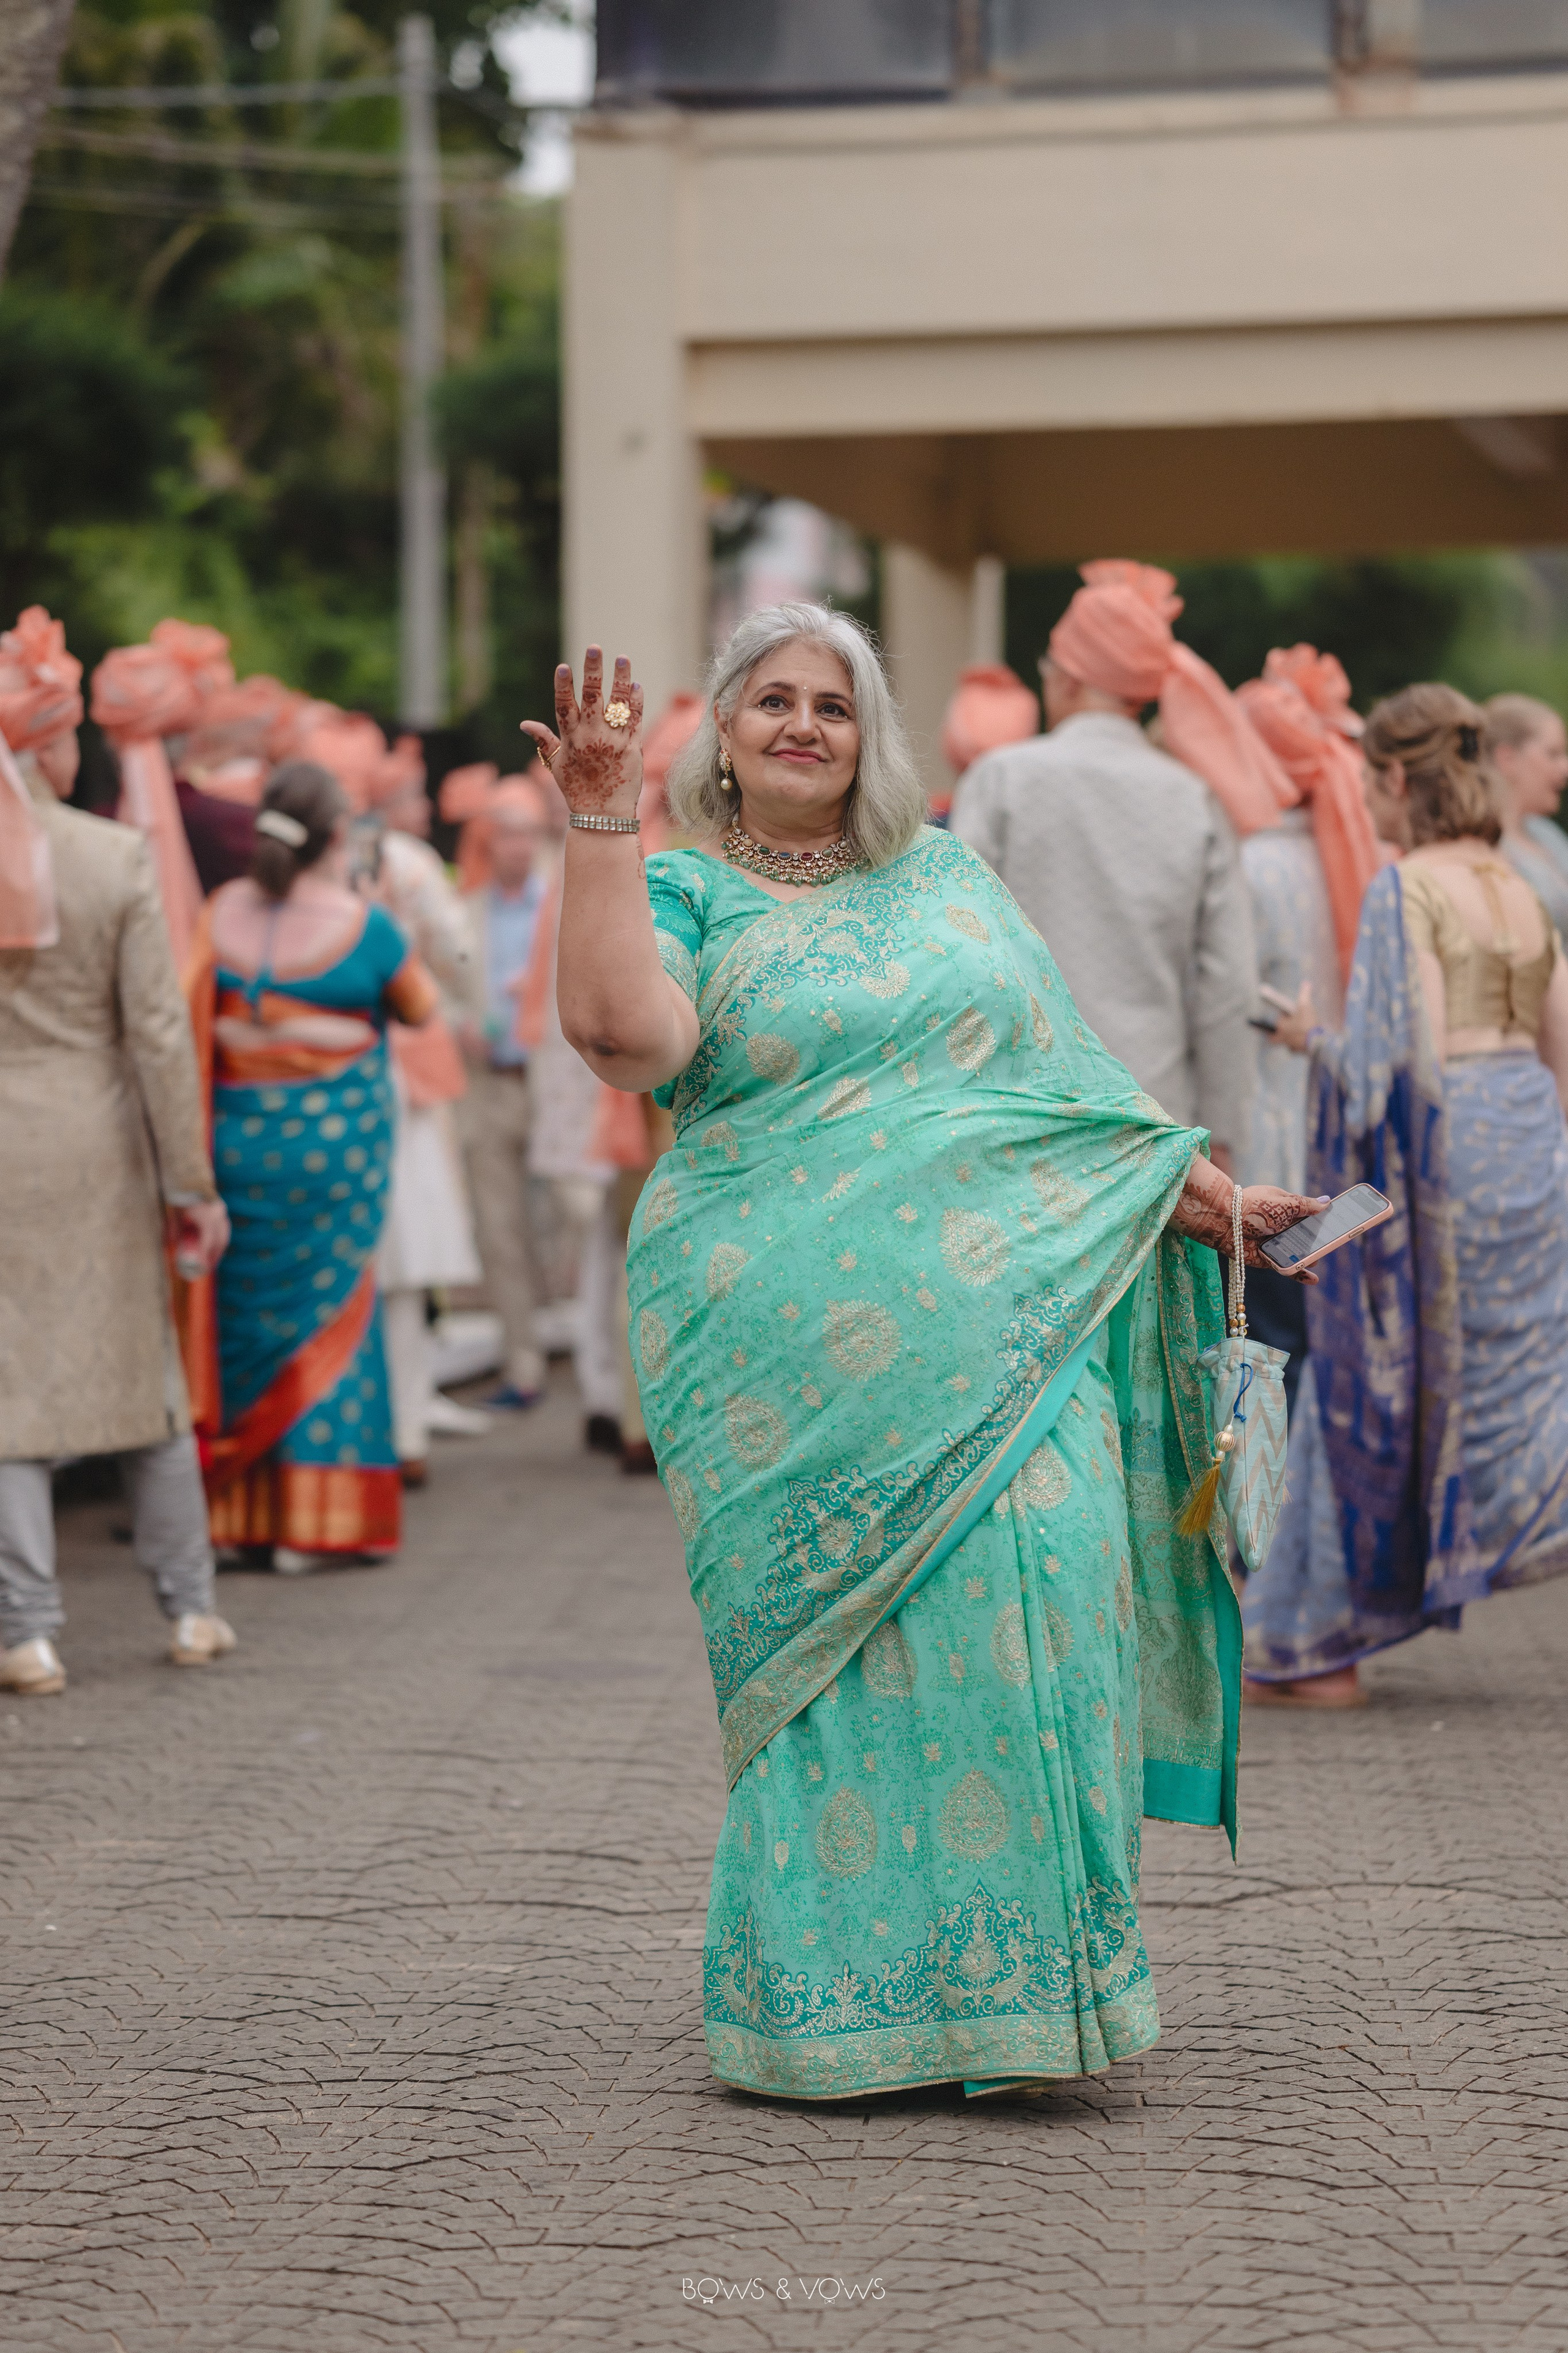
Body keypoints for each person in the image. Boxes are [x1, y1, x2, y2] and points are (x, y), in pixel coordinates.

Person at [529, 603, 1319, 2101]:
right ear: (727, 729)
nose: (803, 724)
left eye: (833, 702)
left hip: (1011, 1327)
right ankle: (834, 2002)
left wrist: (1198, 1191)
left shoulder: (946, 875)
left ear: (869, 733)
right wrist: (595, 817)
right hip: (783, 1356)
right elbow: (624, 1036)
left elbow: (1060, 1080)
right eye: (772, 699)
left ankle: (1026, 1998)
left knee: (1045, 1603)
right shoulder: (683, 888)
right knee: (837, 1662)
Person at [1243, 684, 1568, 1705]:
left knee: (1370, 1368)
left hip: (1454, 1152)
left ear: (1393, 776)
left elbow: (1397, 1067)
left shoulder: (1405, 887)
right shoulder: (1518, 878)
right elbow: (1557, 1039)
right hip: (1531, 1138)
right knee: (1520, 1372)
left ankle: (1320, 1642)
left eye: (1366, 782)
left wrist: (1310, 1042)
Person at [0, 607, 235, 1694]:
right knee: (145, 1373)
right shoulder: (111, 856)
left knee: (11, 1388)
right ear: (51, 740)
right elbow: (156, 1033)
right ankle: (190, 1611)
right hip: (99, 1142)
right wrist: (190, 1180)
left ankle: (29, 1631)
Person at [951, 561, 1289, 1176]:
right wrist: (1224, 1134)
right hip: (1152, 1114)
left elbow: (956, 947)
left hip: (1017, 1107)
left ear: (1071, 678)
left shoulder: (1000, 779)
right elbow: (1226, 986)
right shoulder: (1193, 799)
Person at [181, 761, 438, 1569]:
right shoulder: (366, 926)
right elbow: (422, 1008)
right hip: (333, 1159)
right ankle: (313, 1525)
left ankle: (237, 1518)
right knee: (336, 1316)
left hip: (237, 1151)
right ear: (337, 837)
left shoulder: (218, 912)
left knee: (242, 1319)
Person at [1234, 645, 1385, 1411]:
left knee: (1271, 1346)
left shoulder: (1250, 862)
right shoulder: (1364, 855)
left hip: (1268, 1127)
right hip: (1343, 1134)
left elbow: (1236, 994)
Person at [442, 769, 554, 1411]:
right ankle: (524, 1362)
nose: (516, 847)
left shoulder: (560, 905)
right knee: (499, 1225)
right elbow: (433, 985)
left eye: (527, 834)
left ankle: (570, 1332)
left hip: (549, 1082)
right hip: (487, 1085)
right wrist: (459, 1022)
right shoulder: (465, 913)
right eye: (505, 834)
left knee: (568, 1216)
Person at [1483, 692, 1568, 936]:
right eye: (1553, 754)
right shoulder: (1485, 846)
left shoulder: (1547, 833)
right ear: (1507, 759)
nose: (1565, 767)